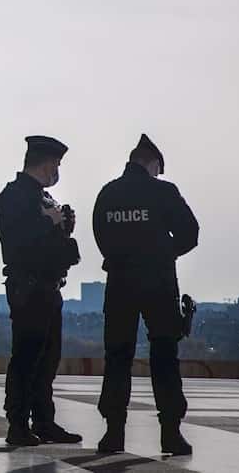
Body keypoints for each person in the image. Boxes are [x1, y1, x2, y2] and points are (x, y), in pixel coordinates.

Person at [93, 134, 199, 456]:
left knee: (117, 356)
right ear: (152, 163)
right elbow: (190, 233)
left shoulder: (108, 193)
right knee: (165, 356)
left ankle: (113, 433)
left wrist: (125, 257)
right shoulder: (163, 192)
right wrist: (162, 252)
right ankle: (170, 433)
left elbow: (101, 235)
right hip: (158, 282)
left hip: (120, 283)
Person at [0, 135, 82, 447]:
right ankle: (17, 423)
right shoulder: (14, 196)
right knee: (27, 357)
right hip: (29, 286)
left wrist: (63, 226)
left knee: (48, 358)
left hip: (48, 284)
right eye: (56, 163)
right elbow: (17, 240)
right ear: (46, 163)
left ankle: (44, 421)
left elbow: (47, 238)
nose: (57, 170)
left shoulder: (44, 199)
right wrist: (49, 222)